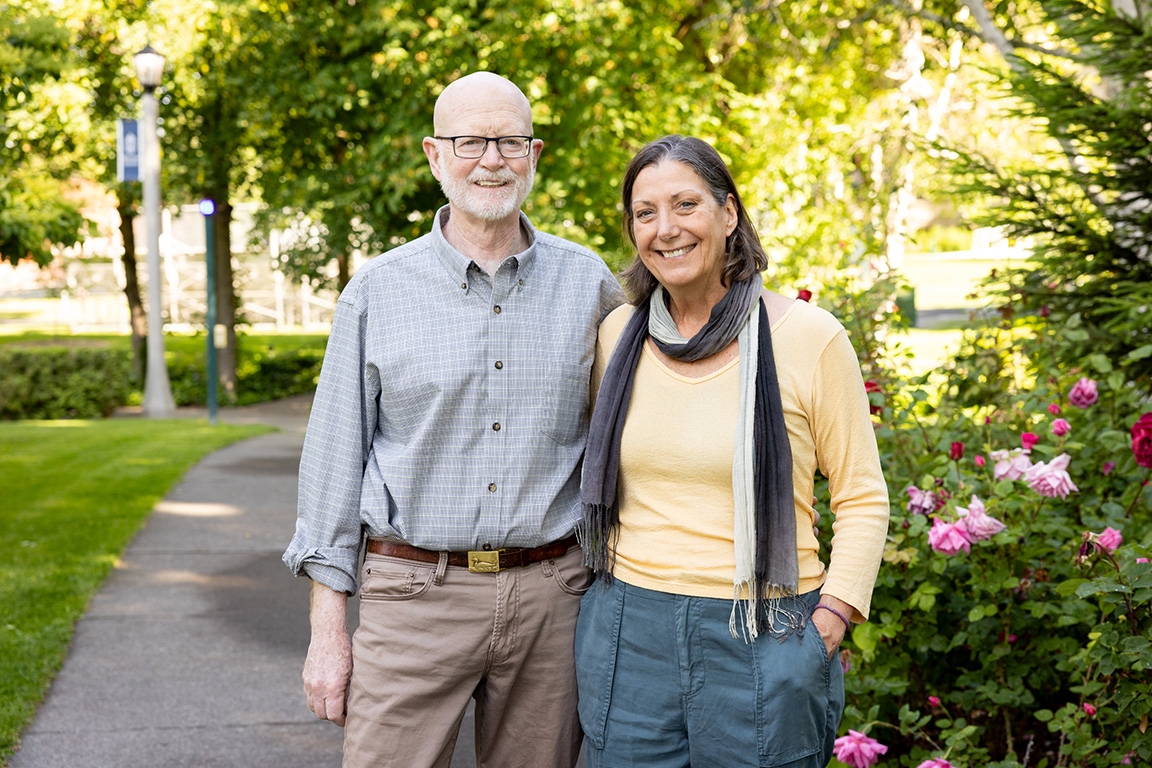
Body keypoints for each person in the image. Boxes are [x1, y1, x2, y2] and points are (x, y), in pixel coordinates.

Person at [283, 71, 625, 768]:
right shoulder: (377, 292)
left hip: (551, 600)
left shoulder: (589, 284)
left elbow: (631, 436)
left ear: (535, 155)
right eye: (470, 141)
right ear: (435, 155)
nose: (491, 159)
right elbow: (331, 465)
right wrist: (328, 631)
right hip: (414, 597)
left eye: (508, 141)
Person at [575, 135, 890, 768]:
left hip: (767, 629)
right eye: (645, 212)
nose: (666, 229)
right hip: (628, 632)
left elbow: (861, 495)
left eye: (686, 204)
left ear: (729, 214)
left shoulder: (809, 339)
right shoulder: (618, 335)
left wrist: (829, 622)